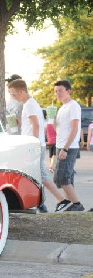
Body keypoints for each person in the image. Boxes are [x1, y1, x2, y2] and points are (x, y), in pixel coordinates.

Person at [8, 79, 66, 213]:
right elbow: (31, 124)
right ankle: (41, 204)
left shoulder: (29, 105)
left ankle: (62, 200)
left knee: (41, 176)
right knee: (34, 176)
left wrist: (32, 144)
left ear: (21, 91)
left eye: (14, 94)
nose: (13, 97)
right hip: (34, 144)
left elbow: (36, 125)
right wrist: (19, 122)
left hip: (34, 145)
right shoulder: (30, 104)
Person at [52, 80, 84, 212]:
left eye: (60, 90)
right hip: (61, 145)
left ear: (68, 91)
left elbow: (75, 128)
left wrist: (65, 148)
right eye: (55, 91)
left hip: (69, 147)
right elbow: (57, 129)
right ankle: (70, 204)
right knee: (67, 178)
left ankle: (76, 205)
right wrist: (52, 119)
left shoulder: (73, 106)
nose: (57, 93)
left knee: (61, 178)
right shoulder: (62, 108)